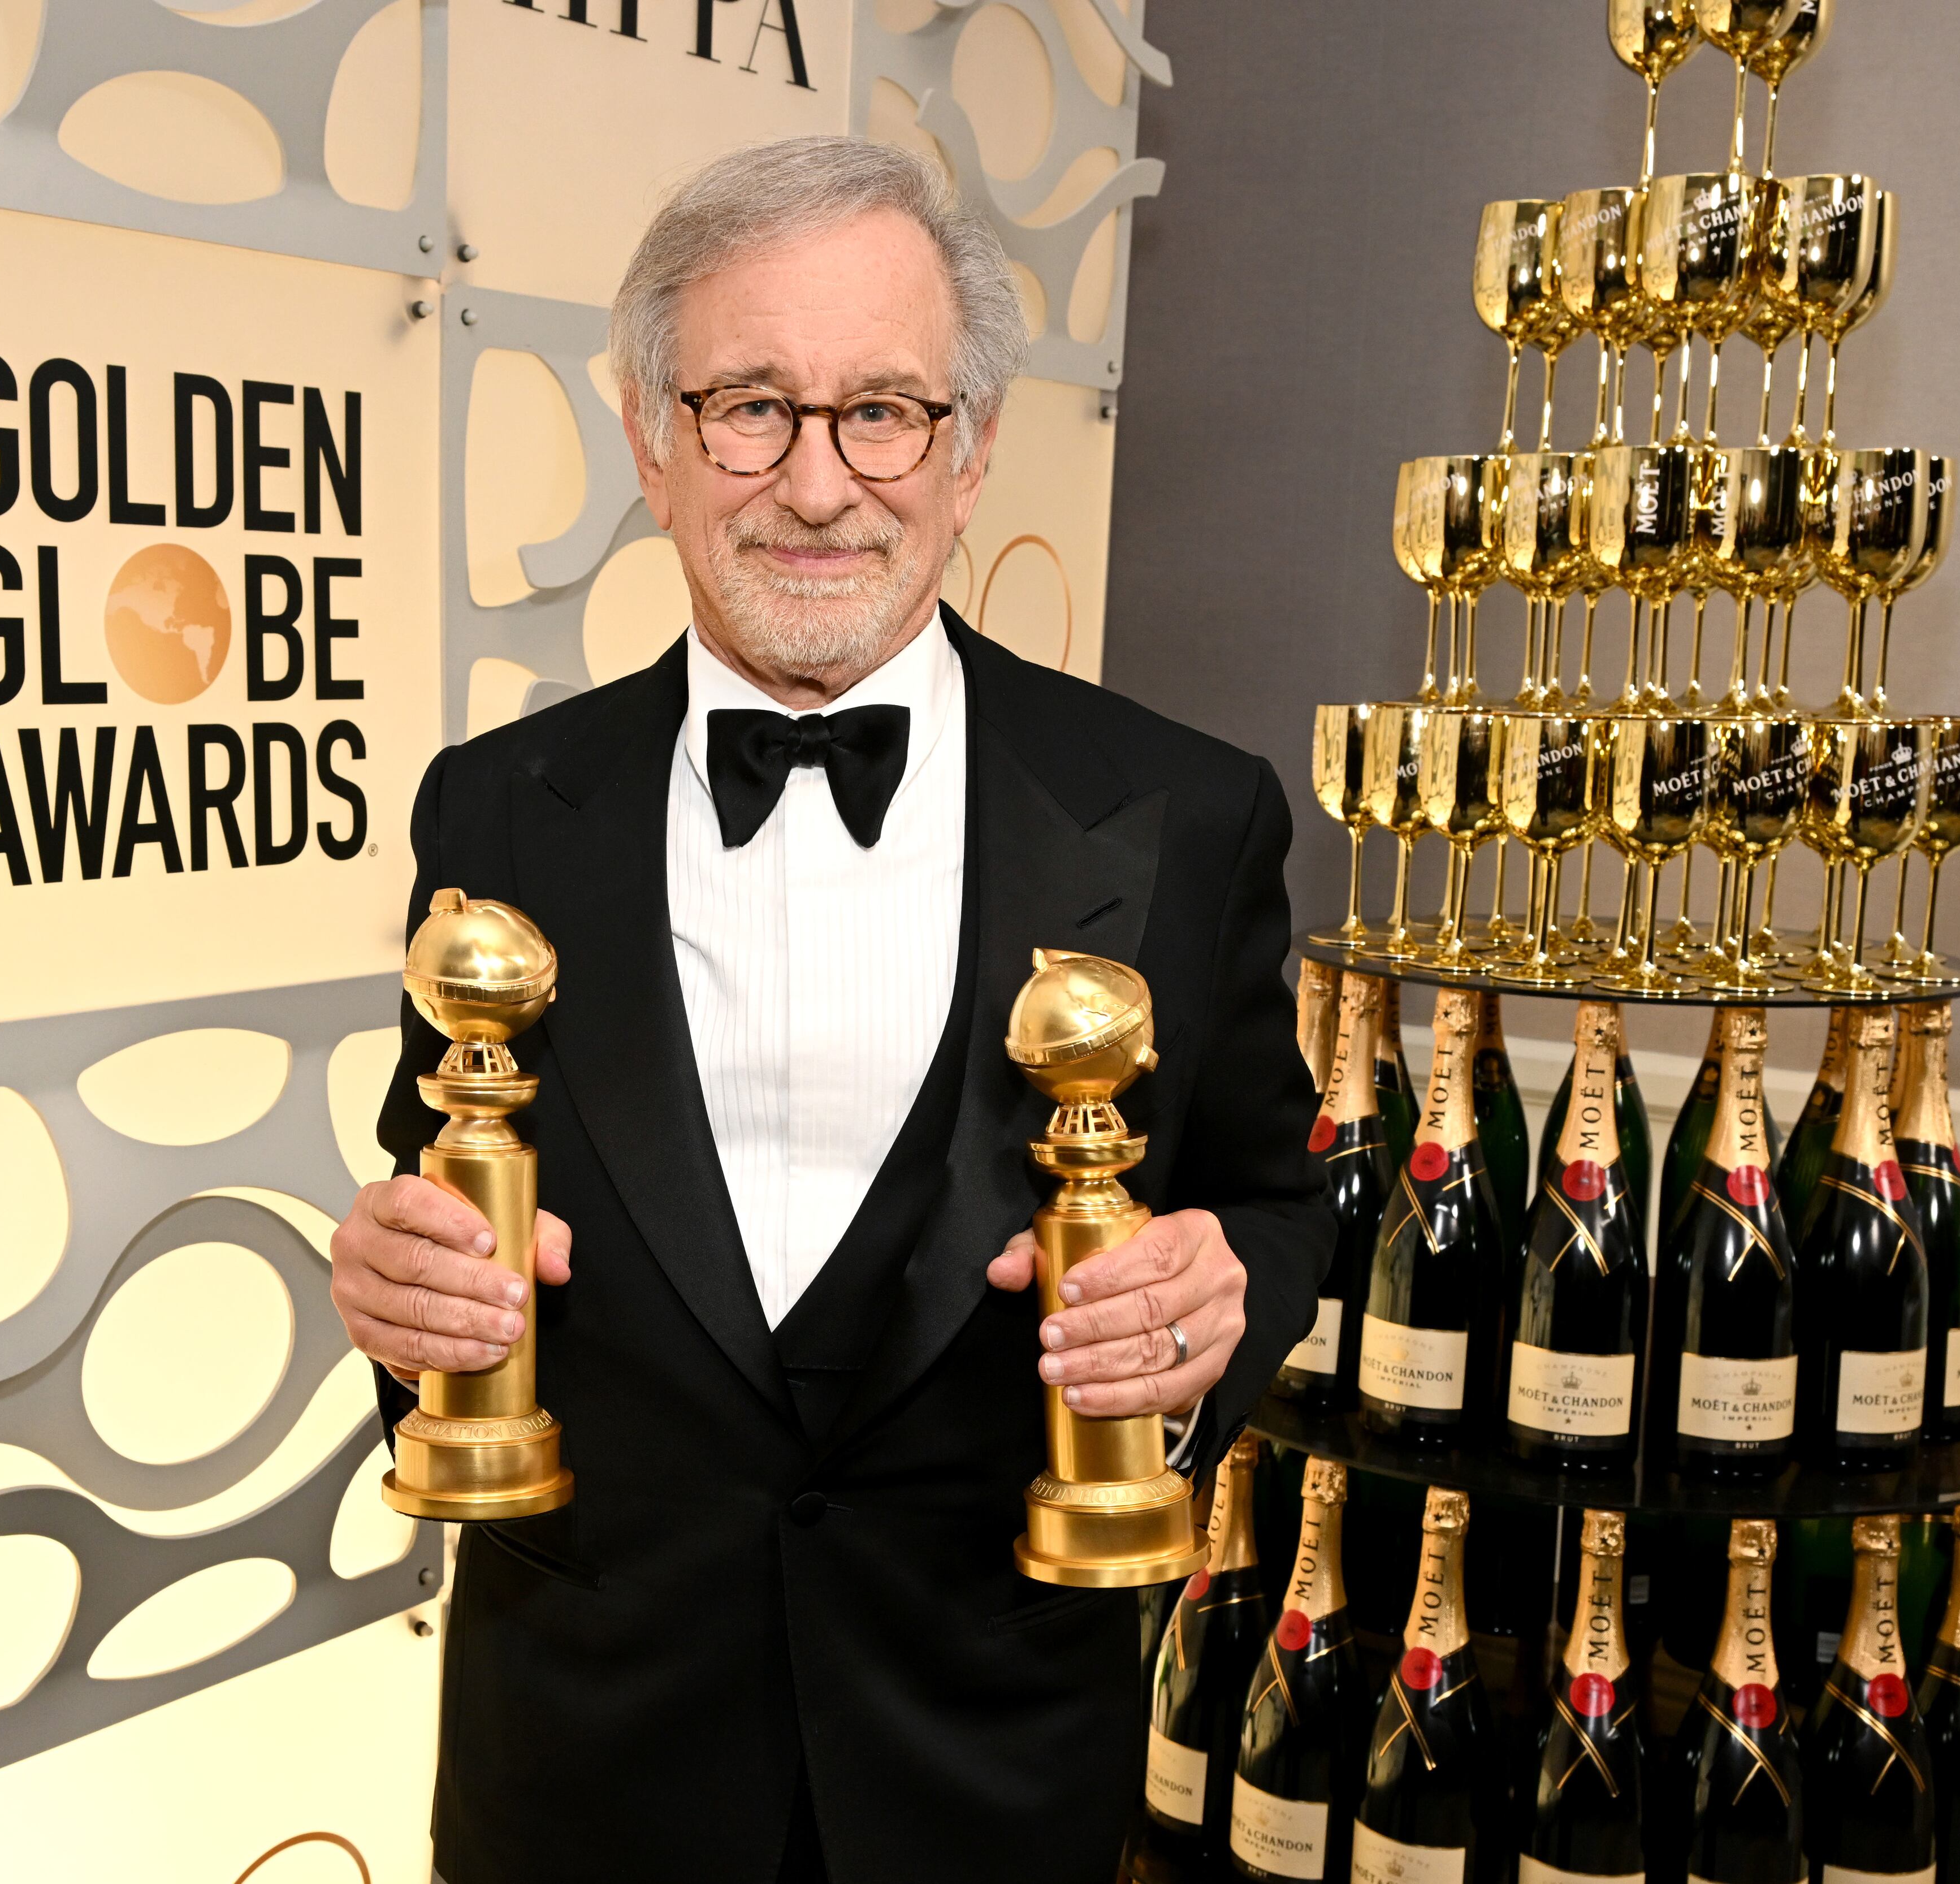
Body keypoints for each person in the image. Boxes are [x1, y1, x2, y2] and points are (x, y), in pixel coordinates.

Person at [327, 135, 1329, 1884]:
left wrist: (1211, 1311)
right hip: (582, 1770)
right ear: (650, 437)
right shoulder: (491, 809)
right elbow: (455, 1204)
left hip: (987, 1767)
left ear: (974, 444)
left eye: (883, 410)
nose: (817, 484)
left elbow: (1277, 1195)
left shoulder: (1188, 812)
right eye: (749, 408)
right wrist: (399, 1292)